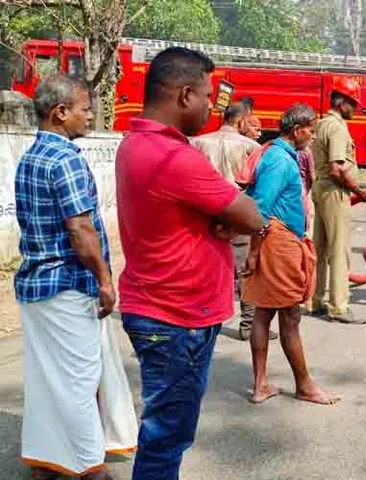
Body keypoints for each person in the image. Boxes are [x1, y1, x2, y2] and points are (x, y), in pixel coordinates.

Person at [115, 47, 263, 478]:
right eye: (206, 95)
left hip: (161, 309)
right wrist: (226, 219)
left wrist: (221, 218)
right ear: (183, 96)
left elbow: (224, 214)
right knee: (166, 438)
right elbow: (251, 216)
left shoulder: (135, 143)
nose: (210, 106)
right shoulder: (174, 158)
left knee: (165, 432)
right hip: (177, 318)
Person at [15, 74, 114, 480]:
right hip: (67, 285)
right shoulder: (66, 159)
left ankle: (44, 463)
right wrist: (106, 281)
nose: (90, 116)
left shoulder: (31, 156)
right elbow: (80, 230)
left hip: (36, 285)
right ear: (61, 113)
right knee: (79, 381)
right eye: (85, 108)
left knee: (45, 381)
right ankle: (90, 468)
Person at [241, 104, 339, 405]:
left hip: (274, 241)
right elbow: (260, 209)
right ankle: (305, 385)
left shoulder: (279, 155)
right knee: (290, 317)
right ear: (297, 130)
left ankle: (260, 386)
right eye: (310, 130)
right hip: (277, 243)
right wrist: (255, 253)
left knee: (263, 312)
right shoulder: (281, 161)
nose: (312, 136)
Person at [191, 102, 274, 340]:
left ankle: (205, 321)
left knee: (206, 269)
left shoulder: (199, 143)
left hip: (206, 215)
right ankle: (247, 324)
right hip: (237, 213)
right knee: (245, 271)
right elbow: (258, 185)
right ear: (241, 122)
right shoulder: (252, 147)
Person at [311, 77, 366, 324]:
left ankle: (315, 300)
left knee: (320, 248)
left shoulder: (322, 123)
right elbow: (338, 168)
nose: (355, 109)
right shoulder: (337, 127)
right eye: (353, 104)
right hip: (334, 191)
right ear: (341, 102)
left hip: (321, 188)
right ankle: (339, 307)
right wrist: (360, 192)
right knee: (339, 251)